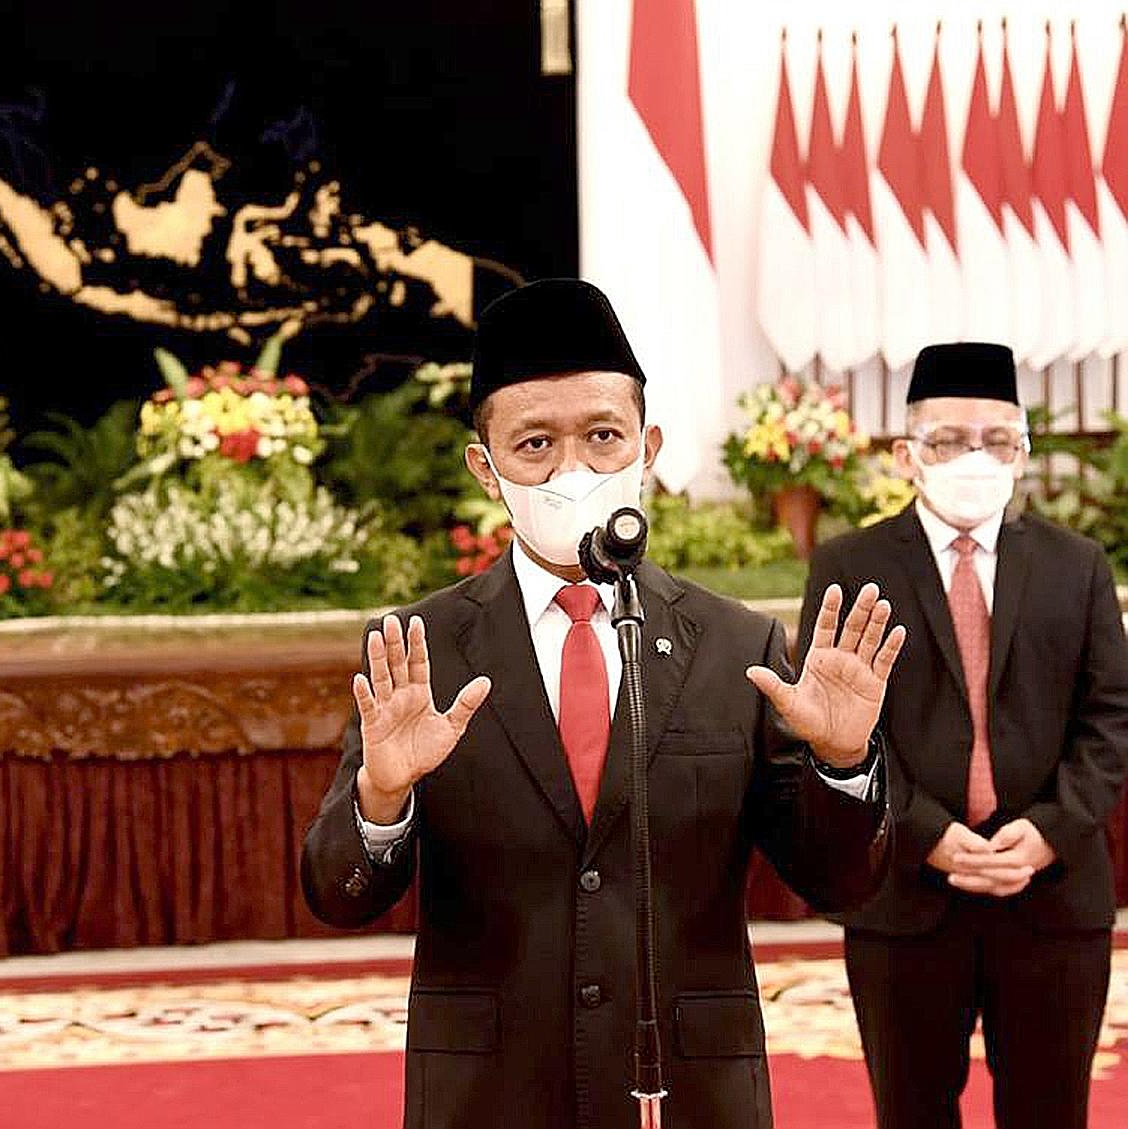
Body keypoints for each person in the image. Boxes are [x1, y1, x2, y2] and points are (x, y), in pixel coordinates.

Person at [302, 279, 903, 1129]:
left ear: (647, 446)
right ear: (487, 469)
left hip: (690, 1092)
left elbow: (841, 880)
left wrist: (843, 764)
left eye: (603, 435)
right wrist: (382, 799)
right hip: (489, 1096)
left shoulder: (739, 649)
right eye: (535, 444)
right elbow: (339, 893)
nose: (573, 469)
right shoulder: (417, 653)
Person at [801, 342, 1128, 1129]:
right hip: (905, 898)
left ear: (1022, 449)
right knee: (912, 1113)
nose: (973, 458)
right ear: (908, 452)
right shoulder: (851, 564)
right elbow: (842, 729)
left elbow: (1111, 716)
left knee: (1052, 1113)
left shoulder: (1075, 565)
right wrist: (926, 833)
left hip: (1049, 895)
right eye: (949, 440)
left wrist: (1050, 830)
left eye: (995, 440)